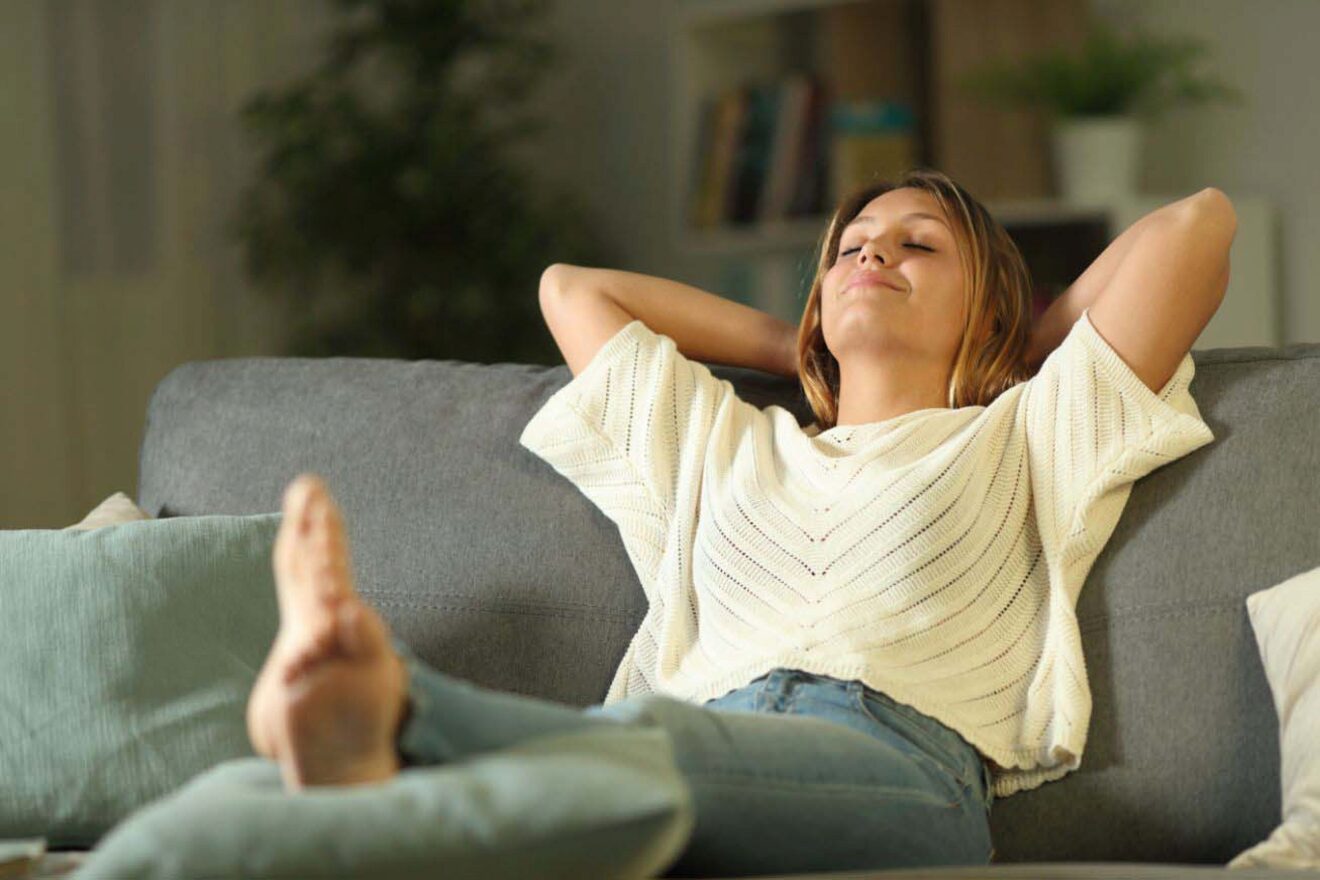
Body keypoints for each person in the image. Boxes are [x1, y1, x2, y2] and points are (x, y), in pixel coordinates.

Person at [245, 167, 1227, 876]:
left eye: (917, 244)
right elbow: (573, 290)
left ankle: (396, 709)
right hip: (686, 737)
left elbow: (1199, 226)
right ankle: (350, 744)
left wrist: (1021, 353)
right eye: (848, 249)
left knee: (636, 762)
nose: (872, 251)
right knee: (248, 823)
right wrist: (799, 340)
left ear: (995, 309)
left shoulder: (1027, 434)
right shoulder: (719, 441)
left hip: (894, 767)